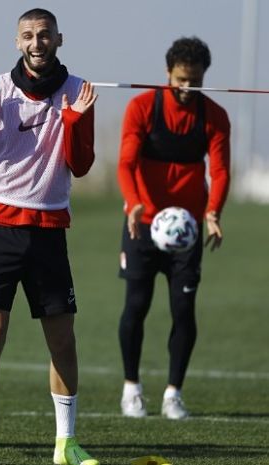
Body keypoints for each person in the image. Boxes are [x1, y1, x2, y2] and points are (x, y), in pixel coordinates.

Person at [0, 8, 99, 465]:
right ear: (17, 42)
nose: (36, 43)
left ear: (59, 39)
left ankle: (66, 444)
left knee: (62, 339)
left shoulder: (79, 90)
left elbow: (81, 165)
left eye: (44, 35)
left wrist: (75, 121)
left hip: (48, 229)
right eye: (28, 36)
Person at [117, 36, 230, 420]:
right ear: (167, 73)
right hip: (142, 225)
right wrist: (133, 203)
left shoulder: (214, 115)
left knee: (183, 310)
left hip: (187, 232)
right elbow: (126, 163)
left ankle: (173, 394)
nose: (187, 87)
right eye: (181, 79)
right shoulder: (142, 107)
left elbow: (220, 170)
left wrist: (213, 212)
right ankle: (131, 389)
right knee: (136, 305)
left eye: (195, 81)